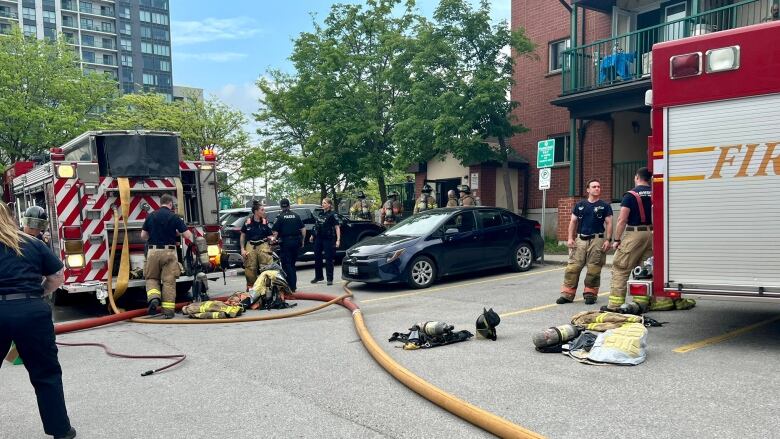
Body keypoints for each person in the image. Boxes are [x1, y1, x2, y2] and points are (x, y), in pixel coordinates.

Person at [0, 202, 77, 439]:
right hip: (32, 311)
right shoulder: (32, 243)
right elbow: (57, 277)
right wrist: (36, 294)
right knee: (46, 374)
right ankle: (61, 430)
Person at [557, 179, 612, 305]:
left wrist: (608, 240)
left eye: (599, 186)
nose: (597, 188)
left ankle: (590, 294)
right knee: (573, 267)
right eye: (594, 186)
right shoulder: (580, 205)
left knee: (594, 268)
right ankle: (567, 294)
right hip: (580, 240)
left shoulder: (605, 206)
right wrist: (570, 238)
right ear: (588, 190)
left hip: (597, 240)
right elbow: (573, 222)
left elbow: (609, 223)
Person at [141, 193, 193, 318]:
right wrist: (177, 234)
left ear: (161, 203)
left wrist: (152, 238)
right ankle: (168, 312)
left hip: (153, 252)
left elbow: (143, 236)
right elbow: (187, 235)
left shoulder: (151, 216)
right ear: (170, 204)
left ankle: (154, 298)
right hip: (169, 252)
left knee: (151, 278)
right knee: (169, 282)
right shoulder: (174, 217)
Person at [271, 198, 305, 292]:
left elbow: (275, 232)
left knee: (287, 265)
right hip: (296, 242)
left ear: (281, 206)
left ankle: (291, 286)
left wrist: (273, 241)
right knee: (293, 264)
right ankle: (293, 285)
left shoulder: (280, 217)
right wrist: (302, 241)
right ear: (289, 206)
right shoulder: (296, 215)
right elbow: (303, 229)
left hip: (286, 243)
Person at [240, 201, 274, 289]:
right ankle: (252, 289)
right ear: (256, 212)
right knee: (250, 268)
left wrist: (272, 239)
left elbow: (270, 235)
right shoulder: (247, 222)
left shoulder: (265, 222)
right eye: (262, 210)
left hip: (263, 245)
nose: (264, 212)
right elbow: (243, 235)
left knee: (267, 267)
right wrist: (242, 249)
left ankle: (267, 288)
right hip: (250, 245)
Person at [311, 198, 341, 286]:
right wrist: (313, 235)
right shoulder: (320, 214)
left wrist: (338, 240)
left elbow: (337, 227)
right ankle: (319, 276)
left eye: (324, 203)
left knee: (328, 259)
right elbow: (316, 226)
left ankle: (330, 279)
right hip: (319, 238)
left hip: (328, 239)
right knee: (317, 257)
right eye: (322, 203)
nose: (322, 204)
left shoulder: (333, 214)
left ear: (329, 205)